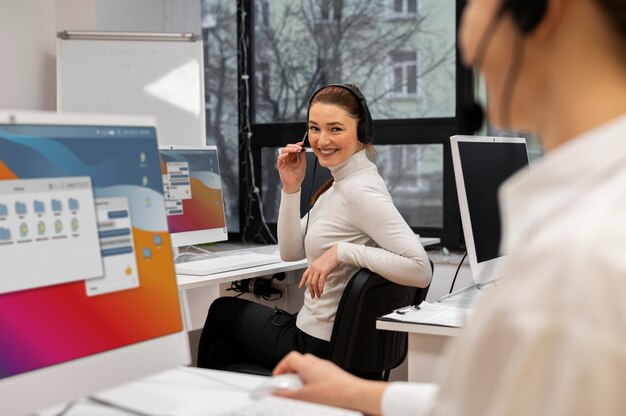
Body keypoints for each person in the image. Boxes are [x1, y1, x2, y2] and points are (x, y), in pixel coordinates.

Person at [271, 0, 626, 415]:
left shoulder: (591, 244)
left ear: (544, 12)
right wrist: (359, 395)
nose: (464, 37)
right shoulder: (586, 209)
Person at [196, 84, 432, 371]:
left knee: (221, 310)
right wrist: (290, 188)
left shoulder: (359, 191)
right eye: (315, 128)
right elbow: (290, 251)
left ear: (361, 131)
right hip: (323, 338)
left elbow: (420, 269)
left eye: (335, 129)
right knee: (223, 349)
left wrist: (342, 251)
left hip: (317, 345)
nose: (322, 140)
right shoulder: (340, 184)